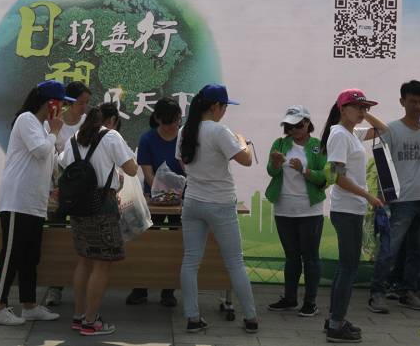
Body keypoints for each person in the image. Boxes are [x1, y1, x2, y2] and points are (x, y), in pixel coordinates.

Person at [0, 80, 71, 326]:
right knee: (11, 255)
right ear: (51, 104)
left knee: (30, 257)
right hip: (18, 200)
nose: (63, 110)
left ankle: (29, 305)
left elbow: (51, 160)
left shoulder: (42, 126)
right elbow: (40, 151)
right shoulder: (26, 120)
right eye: (62, 104)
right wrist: (54, 131)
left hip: (35, 202)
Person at [177, 84, 258, 334]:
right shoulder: (220, 131)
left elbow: (183, 163)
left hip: (192, 201)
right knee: (234, 262)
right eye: (224, 107)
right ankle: (251, 318)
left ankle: (192, 317)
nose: (224, 111)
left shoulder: (185, 130)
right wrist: (242, 142)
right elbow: (246, 160)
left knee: (191, 261)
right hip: (220, 203)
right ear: (215, 106)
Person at [58, 106, 138, 336]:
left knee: (84, 260)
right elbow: (132, 169)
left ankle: (78, 316)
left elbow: (62, 163)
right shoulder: (111, 136)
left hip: (78, 207)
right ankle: (91, 321)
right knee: (102, 263)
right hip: (102, 205)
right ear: (111, 120)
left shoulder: (74, 138)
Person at [320, 88, 387, 343]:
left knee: (345, 267)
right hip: (346, 209)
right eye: (358, 107)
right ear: (342, 109)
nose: (362, 111)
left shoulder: (352, 134)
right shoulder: (339, 135)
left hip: (352, 209)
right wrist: (368, 196)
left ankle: (334, 319)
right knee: (349, 268)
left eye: (365, 107)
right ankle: (336, 325)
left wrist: (365, 114)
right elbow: (337, 177)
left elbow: (384, 130)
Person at [368, 81, 420, 314]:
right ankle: (377, 293)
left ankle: (408, 292)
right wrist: (383, 198)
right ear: (402, 102)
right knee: (390, 249)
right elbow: (381, 162)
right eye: (412, 101)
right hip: (399, 200)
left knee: (417, 250)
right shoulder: (390, 130)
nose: (417, 106)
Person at [265, 105, 327, 317]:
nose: (294, 130)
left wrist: (304, 170)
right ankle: (290, 298)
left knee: (310, 257)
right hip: (284, 209)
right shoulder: (280, 143)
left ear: (308, 123)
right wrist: (275, 164)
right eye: (289, 126)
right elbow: (271, 171)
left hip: (310, 211)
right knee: (291, 257)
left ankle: (310, 302)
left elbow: (325, 177)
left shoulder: (318, 146)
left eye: (298, 125)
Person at [126, 97, 184, 307]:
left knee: (176, 245)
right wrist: (163, 193)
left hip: (181, 201)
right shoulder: (147, 139)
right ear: (157, 119)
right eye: (167, 122)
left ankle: (169, 290)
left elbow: (189, 169)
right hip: (154, 199)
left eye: (176, 121)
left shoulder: (184, 138)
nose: (172, 126)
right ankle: (140, 287)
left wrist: (177, 194)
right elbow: (148, 174)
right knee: (147, 244)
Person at [44, 81, 91, 307]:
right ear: (69, 103)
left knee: (83, 239)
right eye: (81, 103)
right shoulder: (54, 123)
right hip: (56, 190)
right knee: (57, 239)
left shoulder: (88, 124)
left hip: (82, 191)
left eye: (87, 103)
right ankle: (55, 287)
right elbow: (47, 154)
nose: (84, 107)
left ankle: (85, 288)